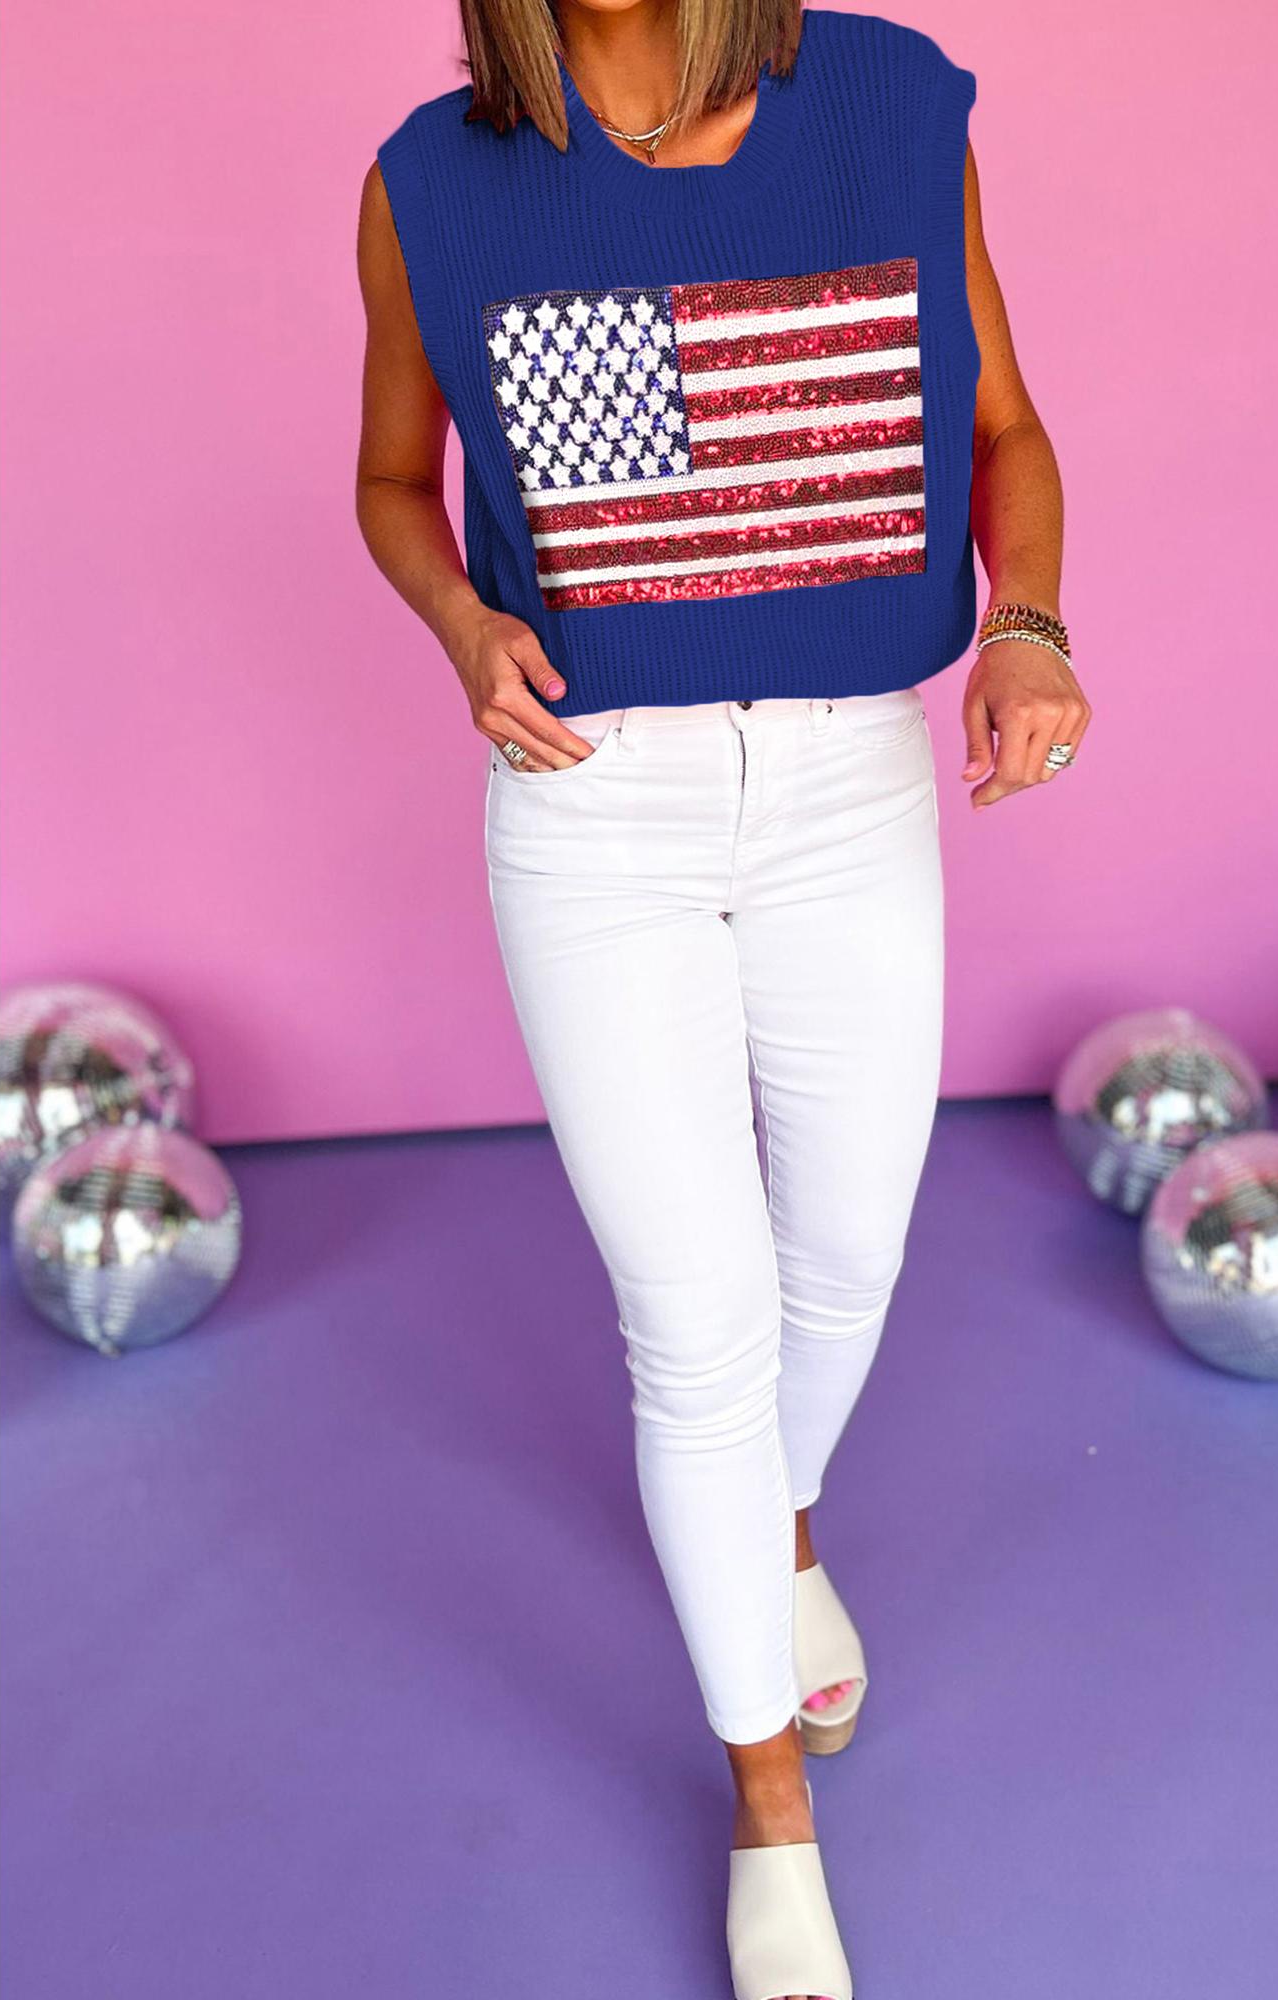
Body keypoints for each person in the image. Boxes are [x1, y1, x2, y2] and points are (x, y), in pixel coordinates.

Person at [356, 4, 1089, 1993]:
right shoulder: (432, 180)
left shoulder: (889, 102)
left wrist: (1024, 625)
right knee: (698, 1325)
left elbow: (1003, 432)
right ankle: (770, 1802)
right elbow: (394, 481)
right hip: (592, 809)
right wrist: (460, 624)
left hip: (850, 778)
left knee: (846, 1254)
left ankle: (780, 1531)